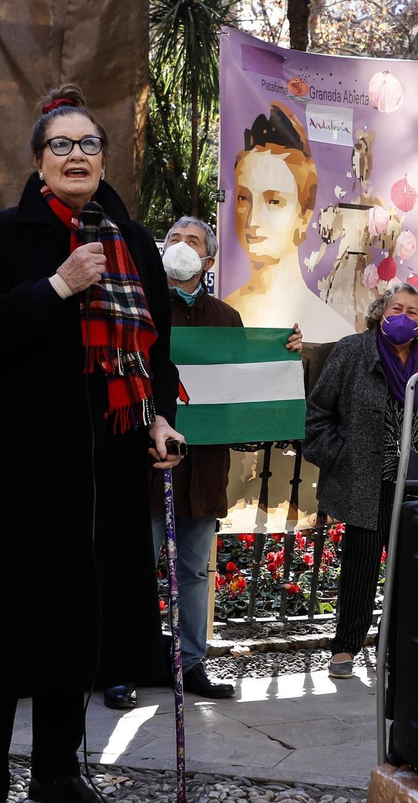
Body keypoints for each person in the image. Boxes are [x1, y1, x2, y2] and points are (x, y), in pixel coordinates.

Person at [0, 85, 186, 803]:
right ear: (38, 161)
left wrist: (156, 411)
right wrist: (59, 285)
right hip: (19, 467)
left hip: (104, 465)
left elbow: (156, 344)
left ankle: (56, 771)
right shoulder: (0, 235)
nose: (78, 154)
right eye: (63, 145)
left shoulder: (136, 241)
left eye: (90, 144)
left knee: (75, 624)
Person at [101, 217, 303, 710]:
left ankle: (189, 663)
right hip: (146, 465)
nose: (181, 248)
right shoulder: (140, 308)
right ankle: (121, 668)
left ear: (208, 261)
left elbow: (239, 391)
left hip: (203, 472)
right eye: (173, 240)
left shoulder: (226, 318)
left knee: (193, 574)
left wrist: (284, 353)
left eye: (193, 242)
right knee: (134, 570)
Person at [305, 283, 418, 679]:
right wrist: (338, 455)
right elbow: (317, 413)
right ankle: (345, 647)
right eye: (397, 308)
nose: (404, 317)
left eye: (413, 312)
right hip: (367, 478)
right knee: (360, 564)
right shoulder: (353, 350)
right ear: (380, 312)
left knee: (413, 569)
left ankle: (397, 644)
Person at [225, 101, 355, 342]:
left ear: (304, 215)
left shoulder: (335, 332)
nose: (252, 219)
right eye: (244, 198)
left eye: (273, 201)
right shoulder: (222, 318)